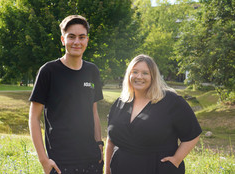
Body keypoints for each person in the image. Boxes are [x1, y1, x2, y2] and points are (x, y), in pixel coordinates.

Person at [29, 15, 104, 174]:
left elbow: (94, 111)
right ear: (63, 40)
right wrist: (44, 160)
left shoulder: (92, 71)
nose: (77, 42)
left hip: (92, 159)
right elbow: (34, 118)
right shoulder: (48, 71)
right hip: (60, 162)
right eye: (71, 37)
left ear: (87, 40)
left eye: (81, 37)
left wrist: (99, 145)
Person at [105, 54, 202, 174]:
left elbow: (193, 134)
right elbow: (110, 140)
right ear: (129, 74)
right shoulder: (120, 102)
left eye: (145, 73)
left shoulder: (171, 101)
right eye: (134, 72)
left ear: (153, 76)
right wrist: (107, 171)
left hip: (158, 169)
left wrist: (176, 160)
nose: (139, 76)